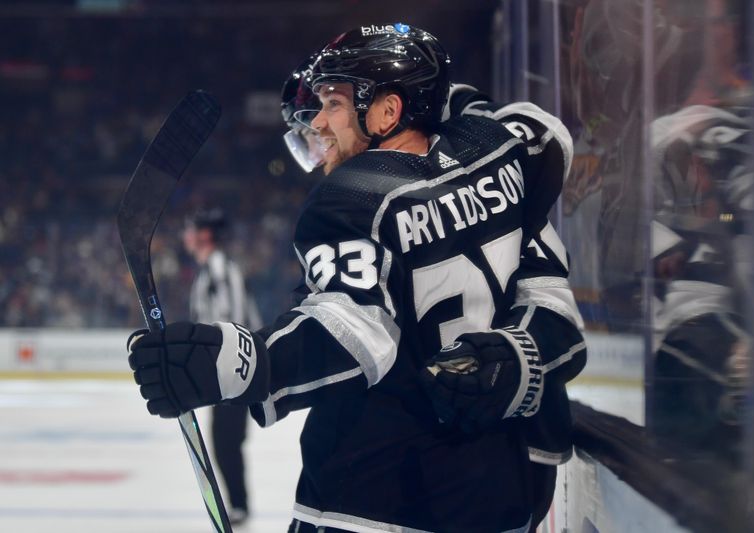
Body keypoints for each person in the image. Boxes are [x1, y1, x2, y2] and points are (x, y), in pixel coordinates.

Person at [129, 24, 586, 532]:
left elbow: (354, 328)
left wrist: (245, 361)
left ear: (389, 110)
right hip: (502, 486)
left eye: (332, 105)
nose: (320, 128)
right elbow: (546, 138)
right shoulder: (501, 151)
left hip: (376, 496)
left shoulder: (350, 196)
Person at [181, 207, 263, 526]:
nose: (185, 237)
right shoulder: (213, 270)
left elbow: (230, 323)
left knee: (226, 442)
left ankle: (239, 505)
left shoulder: (219, 270)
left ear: (204, 236)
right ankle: (238, 503)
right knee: (226, 442)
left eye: (191, 230)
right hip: (231, 372)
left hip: (233, 372)